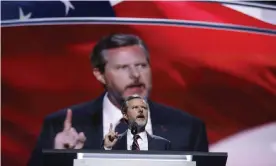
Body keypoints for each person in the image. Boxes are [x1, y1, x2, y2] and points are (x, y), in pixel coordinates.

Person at [28, 33, 209, 166]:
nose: (135, 75)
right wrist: (60, 159)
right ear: (100, 75)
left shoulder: (188, 128)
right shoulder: (60, 126)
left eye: (141, 66)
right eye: (123, 68)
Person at [103, 94, 171, 150]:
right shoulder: (113, 143)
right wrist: (108, 148)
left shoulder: (163, 145)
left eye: (144, 108)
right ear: (125, 115)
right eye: (135, 107)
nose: (141, 110)